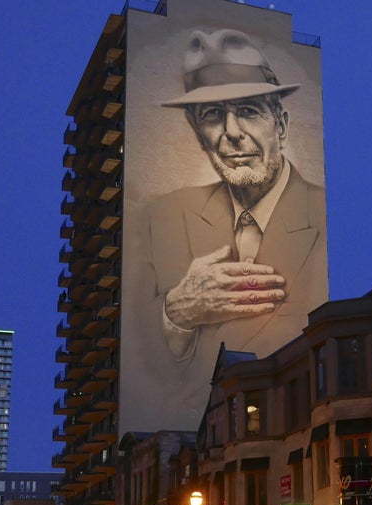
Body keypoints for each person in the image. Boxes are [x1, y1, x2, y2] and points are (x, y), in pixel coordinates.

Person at [128, 28, 327, 423]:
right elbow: (139, 356)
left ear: (282, 124)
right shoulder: (158, 216)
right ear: (197, 132)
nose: (231, 133)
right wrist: (176, 313)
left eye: (250, 110)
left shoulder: (319, 211)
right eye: (213, 115)